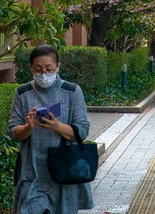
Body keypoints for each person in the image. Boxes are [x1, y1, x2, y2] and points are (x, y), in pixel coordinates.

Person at [9, 45, 94, 213]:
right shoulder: (22, 93)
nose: (44, 74)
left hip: (64, 171)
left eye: (49, 69)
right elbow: (14, 131)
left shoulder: (71, 91)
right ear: (31, 68)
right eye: (38, 69)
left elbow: (82, 131)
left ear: (57, 67)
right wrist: (29, 126)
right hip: (32, 174)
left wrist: (57, 126)